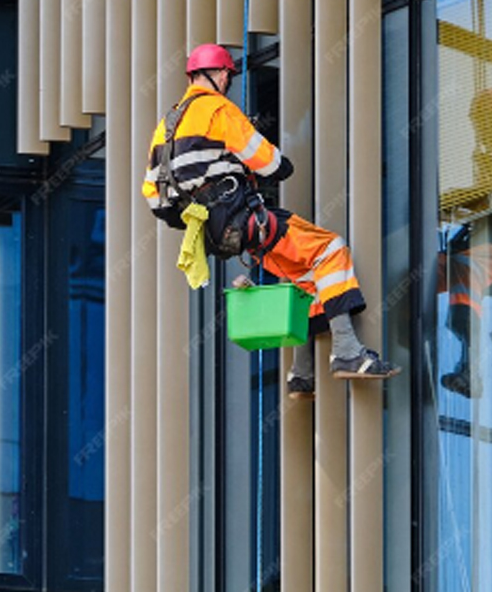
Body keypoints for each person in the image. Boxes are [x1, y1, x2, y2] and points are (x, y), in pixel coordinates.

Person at [142, 43, 400, 399]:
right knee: (330, 249)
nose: (227, 81)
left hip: (213, 233)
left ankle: (301, 374)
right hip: (243, 220)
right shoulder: (218, 108)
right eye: (227, 76)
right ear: (219, 74)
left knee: (305, 275)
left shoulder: (165, 126)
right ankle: (347, 353)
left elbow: (154, 198)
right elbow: (270, 164)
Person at [437, 89, 492, 398]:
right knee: (423, 268)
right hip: (482, 244)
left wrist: (453, 202)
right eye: (481, 124)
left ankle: (470, 368)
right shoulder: (487, 160)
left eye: (491, 123)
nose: (484, 131)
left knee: (462, 267)